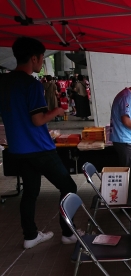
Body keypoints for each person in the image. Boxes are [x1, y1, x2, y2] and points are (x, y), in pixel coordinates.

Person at [0, 36, 78, 249]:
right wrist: (57, 110)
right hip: (40, 148)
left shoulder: (4, 82)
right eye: (42, 57)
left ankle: (30, 235)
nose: (42, 62)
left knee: (30, 192)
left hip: (17, 149)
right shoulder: (32, 85)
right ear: (33, 58)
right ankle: (68, 233)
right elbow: (37, 119)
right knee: (69, 187)